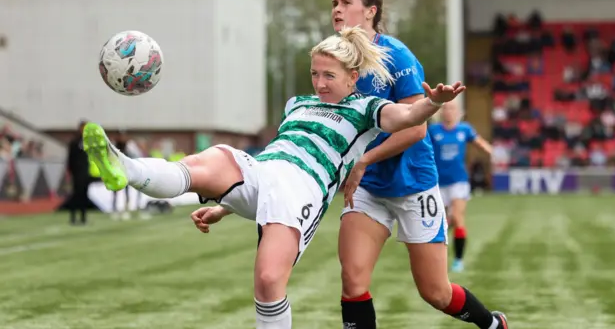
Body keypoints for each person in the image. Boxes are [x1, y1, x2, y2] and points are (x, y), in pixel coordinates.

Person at [82, 26, 464, 329]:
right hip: (264, 170)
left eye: (329, 75)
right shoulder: (297, 104)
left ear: (353, 77)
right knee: (210, 162)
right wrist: (225, 207)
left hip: (302, 189)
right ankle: (124, 167)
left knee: (267, 281)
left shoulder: (366, 108)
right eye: (314, 73)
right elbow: (279, 153)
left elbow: (406, 118)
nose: (319, 83)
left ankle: (128, 167)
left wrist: (432, 103)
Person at [332, 0, 508, 329]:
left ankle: (491, 324)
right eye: (333, 4)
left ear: (370, 11)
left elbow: (415, 128)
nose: (336, 10)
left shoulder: (395, 55)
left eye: (345, 2)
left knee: (435, 293)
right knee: (352, 281)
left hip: (414, 183)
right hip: (368, 189)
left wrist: (364, 160)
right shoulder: (332, 59)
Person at [429, 101, 493, 273]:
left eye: (452, 109)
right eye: (445, 108)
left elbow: (480, 143)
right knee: (439, 223)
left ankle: (458, 260)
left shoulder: (464, 130)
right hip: (438, 183)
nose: (448, 112)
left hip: (459, 181)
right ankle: (436, 258)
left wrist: (493, 153)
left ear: (459, 113)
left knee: (458, 218)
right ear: (441, 112)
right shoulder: (433, 131)